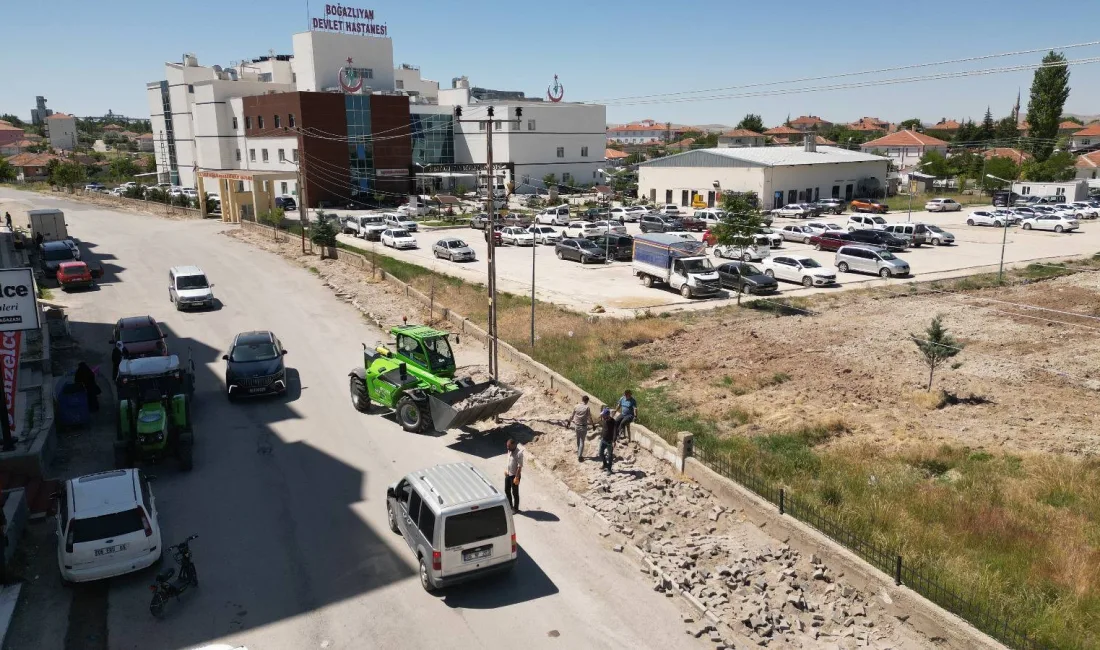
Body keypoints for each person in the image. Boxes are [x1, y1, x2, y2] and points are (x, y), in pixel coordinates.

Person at [568, 395, 597, 462]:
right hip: (583, 426)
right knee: (582, 441)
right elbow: (589, 418)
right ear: (587, 401)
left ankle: (579, 452)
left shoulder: (576, 406)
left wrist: (568, 422)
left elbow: (572, 416)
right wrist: (593, 425)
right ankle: (580, 456)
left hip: (576, 426)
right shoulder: (587, 408)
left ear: (582, 399)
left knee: (578, 440)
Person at [504, 438, 524, 513]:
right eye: (507, 446)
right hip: (508, 474)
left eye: (509, 446)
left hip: (515, 476)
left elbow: (519, 466)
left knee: (515, 493)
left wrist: (517, 477)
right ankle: (510, 506)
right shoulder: (509, 451)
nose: (507, 448)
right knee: (506, 490)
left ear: (514, 445)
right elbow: (509, 461)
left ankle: (516, 508)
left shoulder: (519, 453)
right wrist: (507, 470)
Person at [598, 407, 616, 473]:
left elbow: (615, 432)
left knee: (610, 456)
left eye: (603, 414)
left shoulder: (613, 422)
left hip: (609, 442)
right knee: (600, 453)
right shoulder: (604, 420)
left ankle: (609, 469)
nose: (602, 416)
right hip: (603, 440)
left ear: (607, 415)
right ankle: (605, 464)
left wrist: (614, 441)